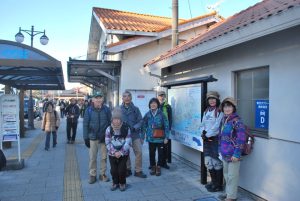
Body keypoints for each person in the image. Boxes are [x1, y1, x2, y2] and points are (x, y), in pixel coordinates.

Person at [219, 97, 246, 201]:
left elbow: (241, 139)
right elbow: (220, 137)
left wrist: (237, 154)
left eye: (229, 106)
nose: (227, 108)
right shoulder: (224, 119)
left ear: (234, 108)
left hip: (233, 154)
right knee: (226, 175)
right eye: (225, 106)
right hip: (224, 153)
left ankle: (231, 197)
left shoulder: (237, 121)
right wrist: (219, 150)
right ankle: (228, 193)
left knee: (232, 176)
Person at [83, 91, 112, 184]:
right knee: (92, 157)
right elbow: (85, 124)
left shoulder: (106, 110)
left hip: (104, 137)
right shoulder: (88, 110)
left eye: (100, 98)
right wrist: (85, 138)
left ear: (102, 99)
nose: (98, 100)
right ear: (93, 99)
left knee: (104, 157)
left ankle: (102, 174)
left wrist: (109, 135)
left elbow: (110, 123)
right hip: (92, 137)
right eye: (96, 98)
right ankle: (92, 174)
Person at [201, 91, 224, 192]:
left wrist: (207, 135)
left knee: (216, 162)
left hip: (215, 140)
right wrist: (202, 133)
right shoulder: (206, 111)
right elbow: (202, 124)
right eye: (210, 99)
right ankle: (213, 182)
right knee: (208, 162)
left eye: (214, 99)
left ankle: (218, 185)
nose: (212, 100)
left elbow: (217, 127)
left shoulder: (219, 111)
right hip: (207, 140)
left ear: (217, 100)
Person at [121, 91, 147, 178]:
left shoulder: (136, 109)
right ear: (122, 98)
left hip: (135, 134)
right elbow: (114, 120)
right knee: (126, 152)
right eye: (125, 96)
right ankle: (128, 169)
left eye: (128, 96)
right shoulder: (119, 109)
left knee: (139, 152)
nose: (127, 98)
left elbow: (141, 121)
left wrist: (135, 127)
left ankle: (138, 171)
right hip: (124, 135)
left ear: (131, 98)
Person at [105, 107, 132, 191]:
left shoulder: (126, 128)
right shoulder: (109, 129)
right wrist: (114, 152)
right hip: (112, 153)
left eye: (118, 119)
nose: (116, 121)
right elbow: (107, 142)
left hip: (123, 153)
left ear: (121, 119)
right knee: (113, 170)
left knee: (121, 170)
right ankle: (115, 182)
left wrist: (120, 152)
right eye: (114, 119)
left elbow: (128, 142)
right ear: (112, 119)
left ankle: (122, 183)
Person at [142, 98, 169, 176]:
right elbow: (144, 125)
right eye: (151, 103)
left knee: (160, 153)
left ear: (157, 104)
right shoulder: (147, 114)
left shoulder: (162, 114)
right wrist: (142, 136)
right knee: (151, 153)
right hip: (150, 138)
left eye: (155, 103)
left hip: (160, 138)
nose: (153, 105)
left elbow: (166, 126)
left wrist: (166, 137)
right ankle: (153, 166)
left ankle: (159, 166)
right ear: (149, 105)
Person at [157, 91, 172, 169]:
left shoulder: (168, 106)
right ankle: (159, 162)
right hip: (157, 130)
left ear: (165, 97)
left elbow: (170, 118)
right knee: (159, 146)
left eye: (163, 96)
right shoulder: (155, 105)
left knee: (165, 147)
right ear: (158, 97)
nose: (162, 97)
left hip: (165, 129)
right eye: (160, 96)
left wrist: (169, 129)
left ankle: (164, 163)